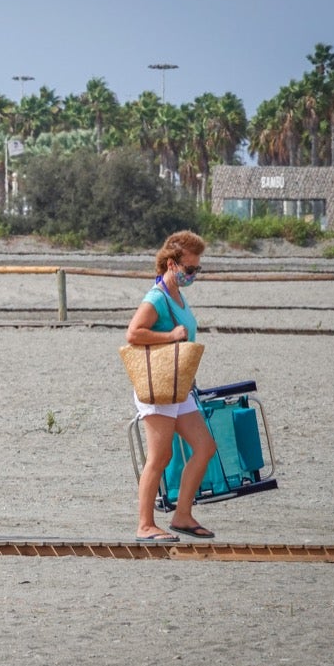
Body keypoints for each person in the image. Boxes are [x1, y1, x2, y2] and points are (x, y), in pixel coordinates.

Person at [125, 230, 217, 543]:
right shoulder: (156, 297)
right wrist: (169, 337)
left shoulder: (177, 293)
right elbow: (133, 334)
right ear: (170, 264)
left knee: (205, 447)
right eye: (189, 269)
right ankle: (145, 525)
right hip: (157, 388)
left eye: (197, 270)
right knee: (159, 457)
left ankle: (182, 515)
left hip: (178, 388)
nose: (193, 275)